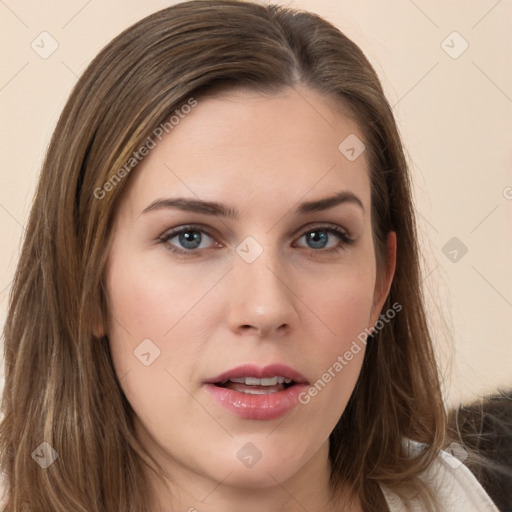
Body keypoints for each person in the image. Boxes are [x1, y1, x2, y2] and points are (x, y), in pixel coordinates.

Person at [0, 1, 500, 510]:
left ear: (381, 284)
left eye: (319, 237)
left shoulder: (449, 497)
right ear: (84, 283)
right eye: (190, 237)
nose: (265, 309)